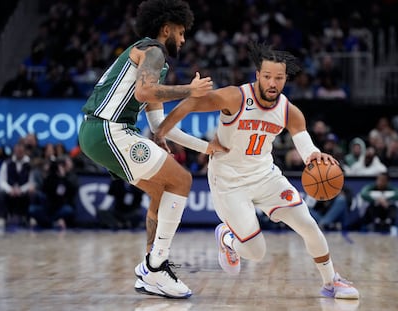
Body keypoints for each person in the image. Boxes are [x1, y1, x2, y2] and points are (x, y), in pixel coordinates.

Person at [155, 42, 359, 299]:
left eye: (279, 78)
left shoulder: (288, 110)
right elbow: (191, 103)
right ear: (257, 76)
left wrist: (313, 156)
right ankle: (228, 238)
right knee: (256, 252)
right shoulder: (235, 97)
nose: (273, 83)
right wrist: (163, 131)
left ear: (286, 79)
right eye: (267, 76)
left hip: (265, 175)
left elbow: (304, 141)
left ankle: (331, 282)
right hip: (229, 181)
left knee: (308, 225)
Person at [78, 0, 225, 299]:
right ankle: (156, 267)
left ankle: (151, 266)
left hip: (100, 133)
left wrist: (206, 147)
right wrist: (190, 91)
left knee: (162, 191)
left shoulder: (154, 60)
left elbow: (160, 124)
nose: (183, 40)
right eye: (181, 33)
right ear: (166, 28)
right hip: (109, 129)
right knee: (182, 181)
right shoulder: (153, 49)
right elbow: (143, 92)